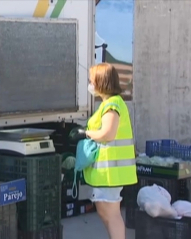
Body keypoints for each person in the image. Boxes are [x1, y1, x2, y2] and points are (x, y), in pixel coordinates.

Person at [71, 63, 137, 239]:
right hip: (107, 171)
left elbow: (107, 134)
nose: (90, 84)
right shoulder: (108, 103)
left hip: (111, 172)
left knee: (110, 213)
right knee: (104, 211)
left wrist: (85, 133)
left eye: (91, 80)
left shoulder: (112, 105)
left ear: (101, 81)